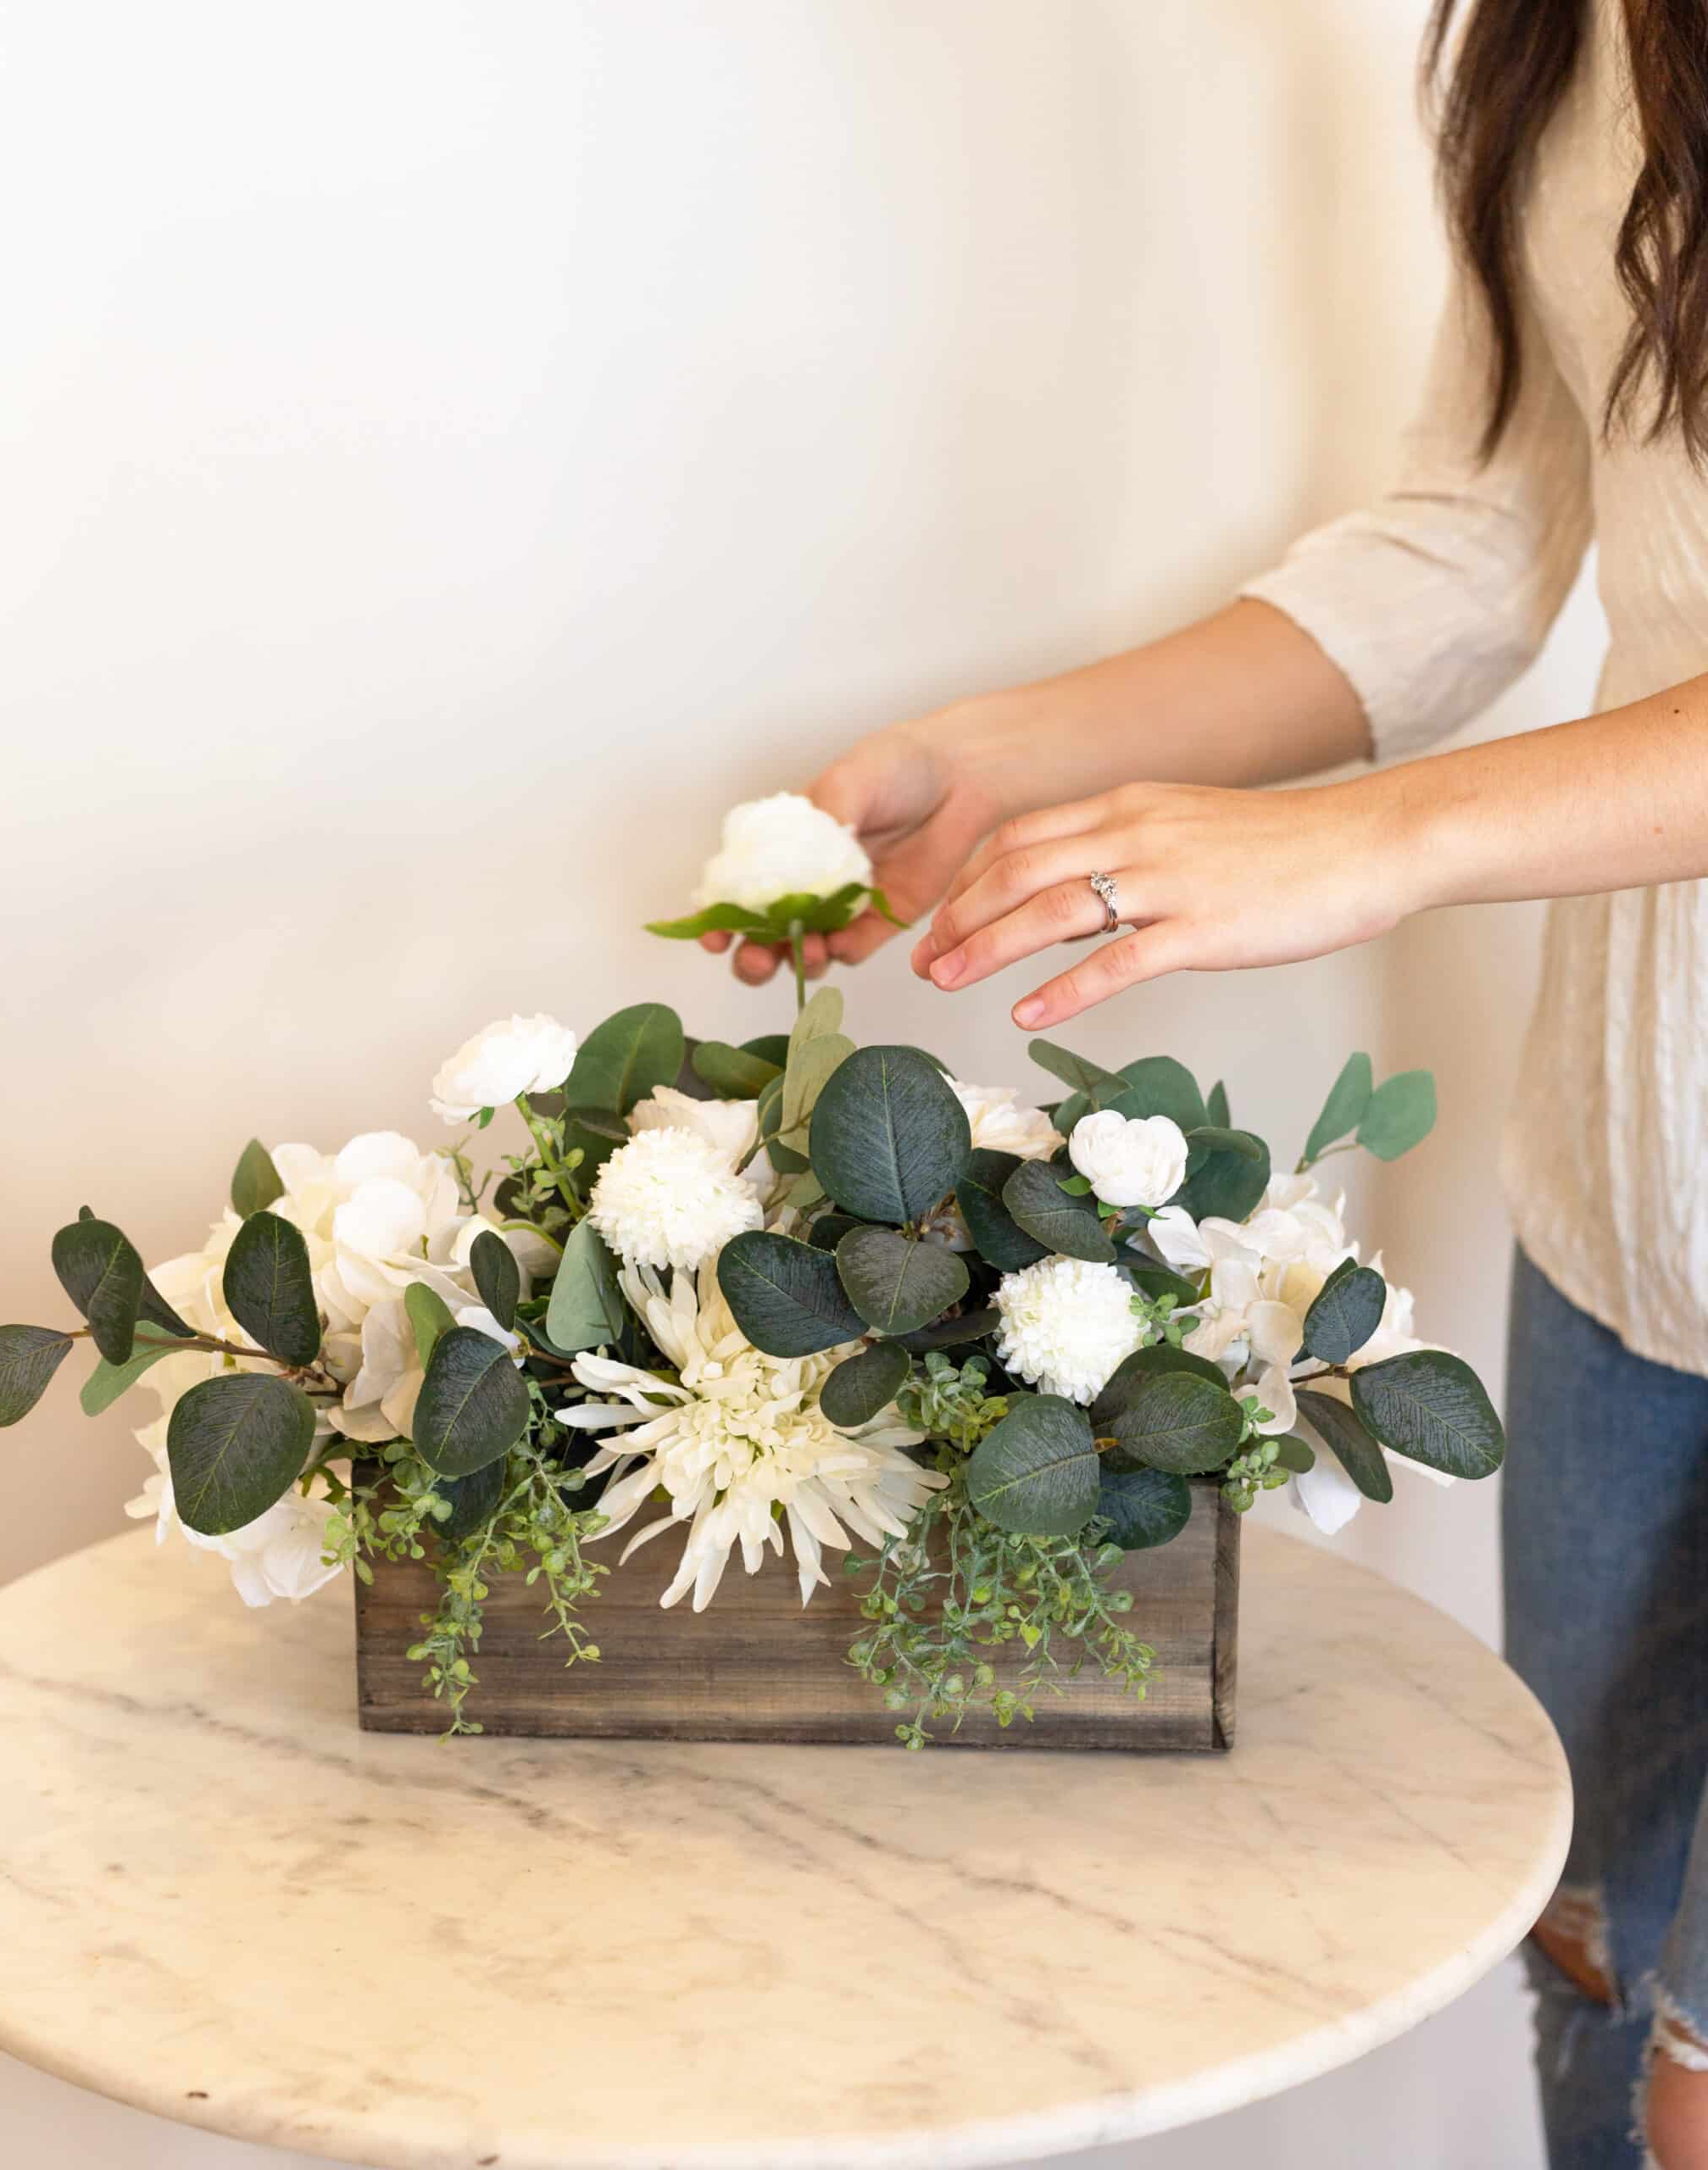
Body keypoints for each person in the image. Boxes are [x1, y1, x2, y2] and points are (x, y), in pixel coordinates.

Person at [702, 3, 1708, 2165]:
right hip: (1632, 1204)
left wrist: (1376, 841)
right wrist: (1012, 761)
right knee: (1600, 1961)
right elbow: (1467, 538)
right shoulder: (1548, 41)